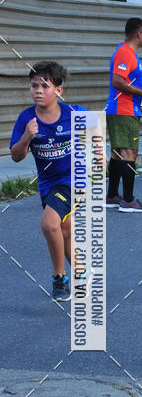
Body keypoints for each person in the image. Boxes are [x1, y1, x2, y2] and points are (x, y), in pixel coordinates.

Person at [10, 62, 86, 301]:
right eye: (34, 86)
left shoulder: (74, 113)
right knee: (63, 230)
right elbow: (15, 156)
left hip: (74, 179)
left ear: (59, 90)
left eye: (45, 85)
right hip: (48, 184)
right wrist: (26, 137)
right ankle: (82, 273)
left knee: (49, 224)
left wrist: (99, 151)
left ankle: (59, 277)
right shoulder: (26, 118)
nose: (38, 91)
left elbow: (97, 134)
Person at [105, 17, 142, 212]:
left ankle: (113, 196)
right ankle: (129, 200)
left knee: (118, 154)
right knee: (129, 153)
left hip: (123, 110)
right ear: (139, 34)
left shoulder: (128, 52)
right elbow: (118, 81)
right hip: (124, 110)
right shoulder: (125, 53)